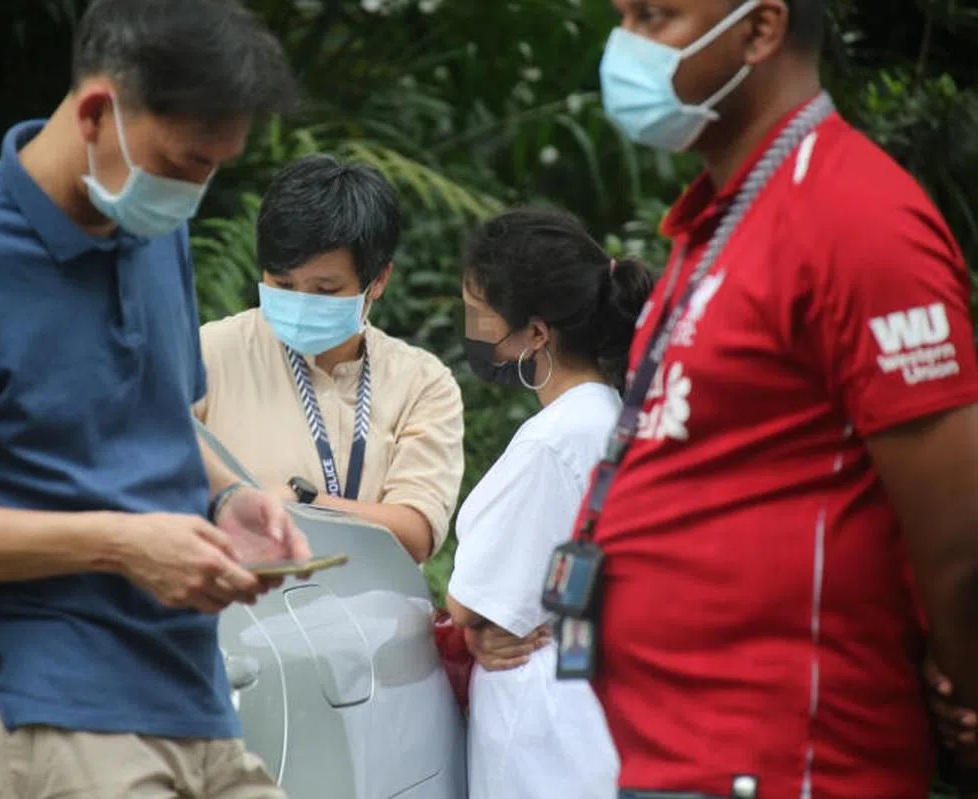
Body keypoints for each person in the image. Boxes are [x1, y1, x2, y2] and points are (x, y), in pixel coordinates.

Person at [0, 1, 311, 797]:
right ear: (97, 112)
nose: (198, 190)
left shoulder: (158, 235)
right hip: (50, 719)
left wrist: (230, 497)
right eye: (188, 163)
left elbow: (160, 416)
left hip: (194, 702)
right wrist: (121, 543)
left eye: (216, 167)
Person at [574, 0, 978, 796]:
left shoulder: (859, 219)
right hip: (682, 760)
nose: (626, 45)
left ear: (759, 31)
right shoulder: (717, 224)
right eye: (624, 15)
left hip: (795, 762)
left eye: (655, 17)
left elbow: (960, 539)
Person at [445, 208, 653, 799]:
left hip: (547, 738)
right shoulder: (609, 415)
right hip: (592, 718)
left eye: (481, 318)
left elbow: (470, 603)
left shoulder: (552, 442)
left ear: (536, 334)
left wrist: (474, 624)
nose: (477, 334)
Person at [195, 154, 464, 563]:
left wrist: (302, 500)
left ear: (378, 281)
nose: (301, 302)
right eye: (282, 284)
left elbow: (414, 532)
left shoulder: (421, 382)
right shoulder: (207, 353)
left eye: (325, 290)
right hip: (238, 615)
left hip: (370, 619)